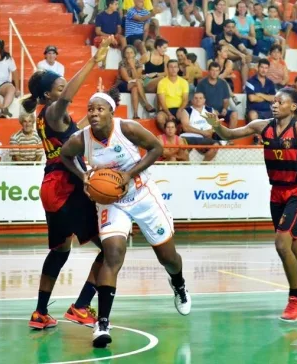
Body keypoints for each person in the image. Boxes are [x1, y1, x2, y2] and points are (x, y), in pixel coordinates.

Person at [204, 87, 297, 322]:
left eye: (280, 102)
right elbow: (229, 134)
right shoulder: (262, 126)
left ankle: (295, 298)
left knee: (282, 245)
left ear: (293, 106)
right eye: (273, 101)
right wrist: (216, 125)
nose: (274, 105)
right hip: (277, 194)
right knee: (291, 249)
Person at [60, 91, 191, 348]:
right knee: (113, 255)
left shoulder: (127, 128)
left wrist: (129, 174)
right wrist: (82, 175)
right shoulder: (81, 139)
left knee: (169, 258)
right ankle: (103, 323)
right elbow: (65, 155)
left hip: (142, 194)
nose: (94, 113)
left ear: (111, 112)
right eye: (90, 109)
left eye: (99, 109)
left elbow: (157, 148)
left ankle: (178, 283)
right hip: (111, 202)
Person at [21, 38, 112, 332]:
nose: (66, 91)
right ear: (48, 94)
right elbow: (68, 97)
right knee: (111, 249)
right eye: (60, 88)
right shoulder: (52, 111)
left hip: (51, 186)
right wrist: (94, 60)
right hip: (66, 185)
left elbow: (78, 128)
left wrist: (101, 106)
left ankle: (40, 312)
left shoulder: (54, 118)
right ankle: (82, 305)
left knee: (60, 251)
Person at [116, 45, 155, 119]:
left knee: (135, 88)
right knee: (137, 82)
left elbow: (136, 77)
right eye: (127, 53)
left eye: (131, 52)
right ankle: (146, 103)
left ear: (134, 54)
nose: (129, 55)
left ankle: (135, 114)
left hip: (133, 84)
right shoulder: (122, 63)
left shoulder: (138, 63)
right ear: (124, 54)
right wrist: (136, 80)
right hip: (122, 84)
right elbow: (126, 78)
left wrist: (132, 66)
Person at [156, 60, 190, 131]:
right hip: (166, 110)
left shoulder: (184, 82)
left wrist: (180, 110)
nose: (173, 69)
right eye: (171, 67)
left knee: (185, 121)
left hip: (180, 108)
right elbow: (162, 102)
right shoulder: (162, 83)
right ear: (167, 69)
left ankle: (180, 136)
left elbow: (185, 100)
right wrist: (169, 114)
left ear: (178, 68)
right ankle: (168, 136)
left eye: (175, 67)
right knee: (160, 119)